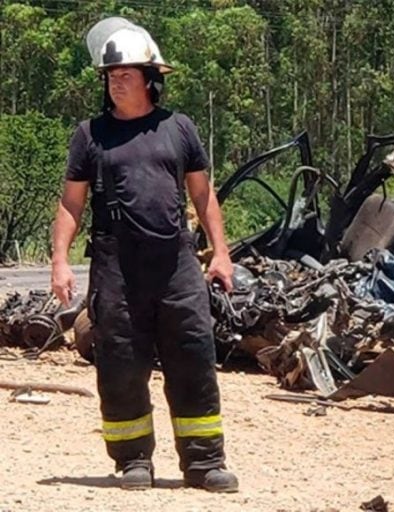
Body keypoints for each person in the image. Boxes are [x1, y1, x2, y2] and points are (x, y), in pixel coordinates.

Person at [50, 18, 238, 492]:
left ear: (151, 79)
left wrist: (221, 253)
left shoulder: (179, 129)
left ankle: (203, 462)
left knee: (193, 353)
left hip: (176, 262)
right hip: (117, 266)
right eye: (111, 76)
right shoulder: (89, 135)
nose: (117, 82)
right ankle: (133, 459)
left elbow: (203, 195)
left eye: (126, 74)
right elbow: (71, 203)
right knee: (120, 361)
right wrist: (59, 261)